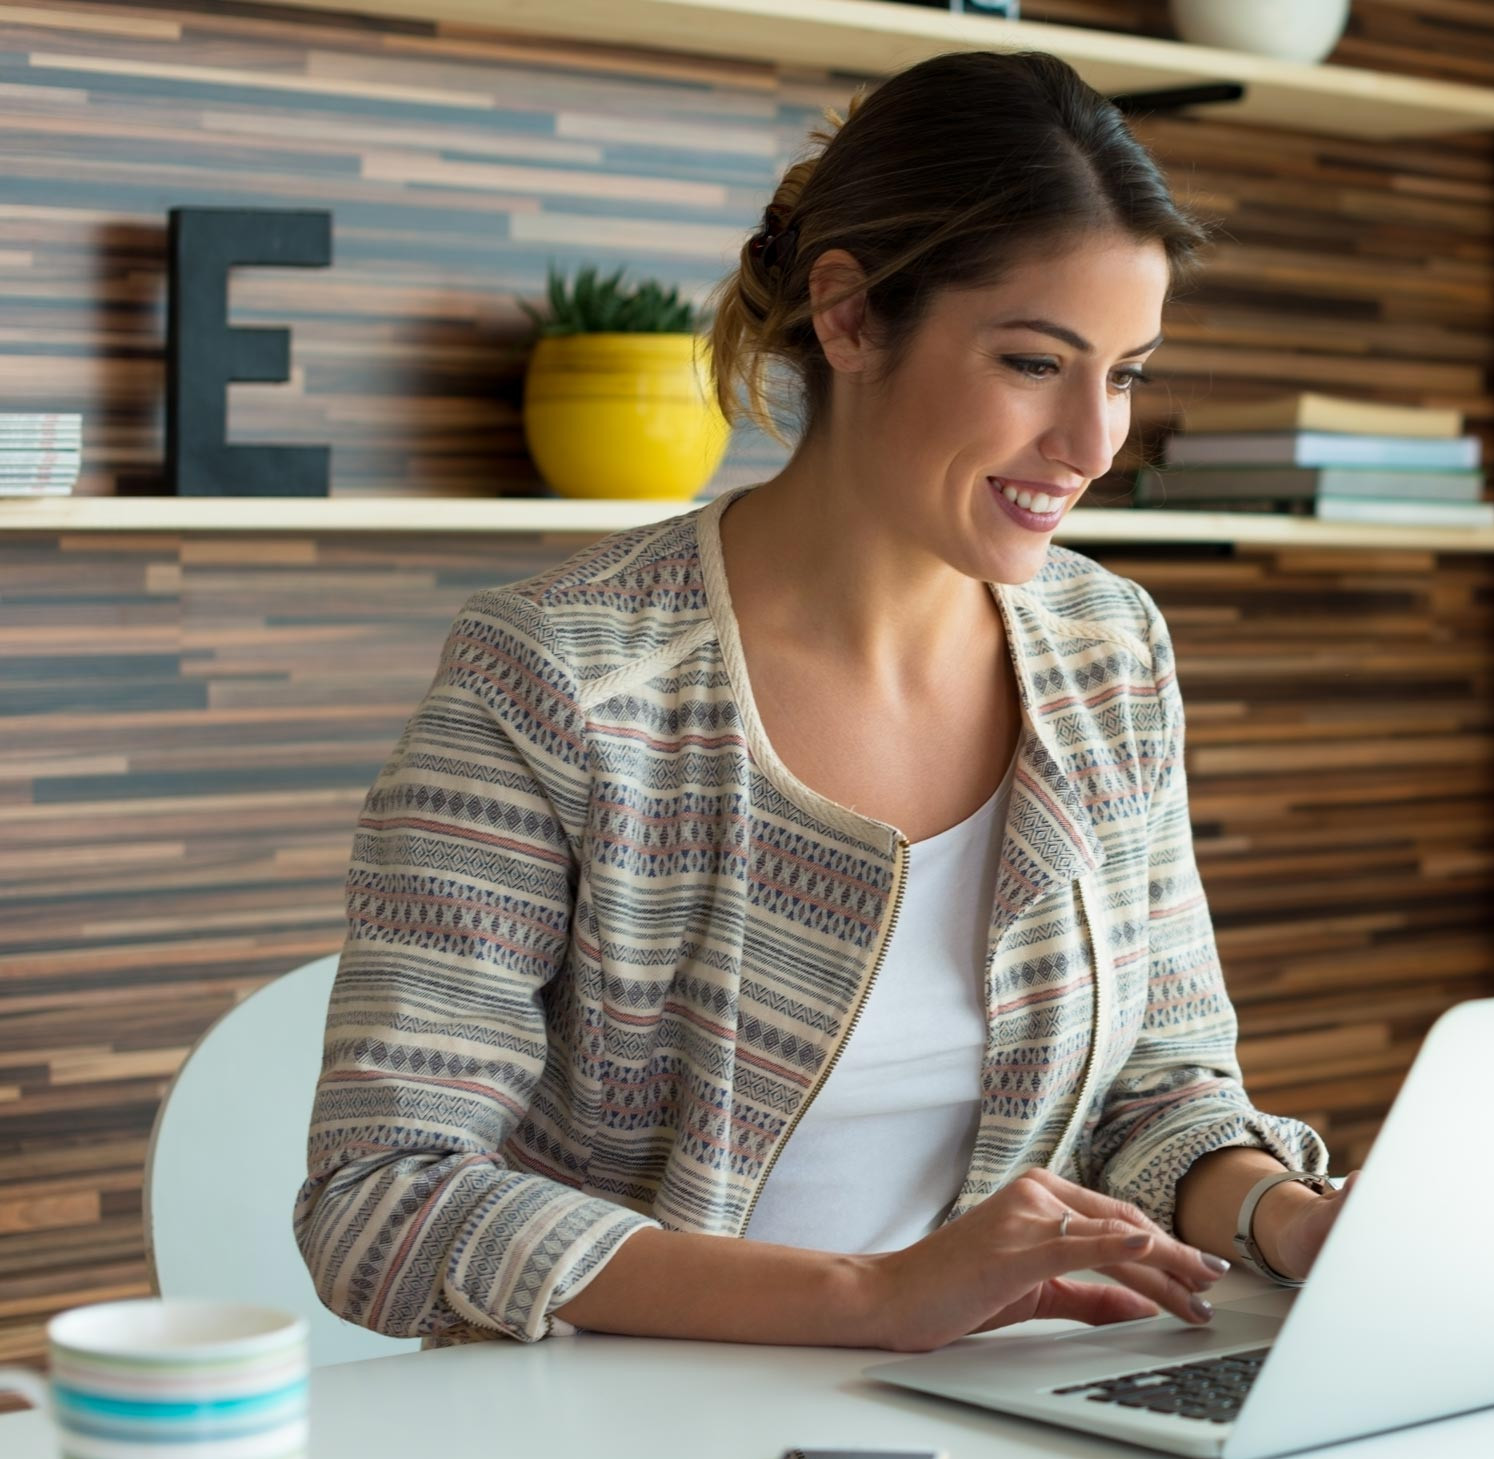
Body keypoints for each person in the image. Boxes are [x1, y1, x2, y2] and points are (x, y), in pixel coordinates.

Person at [293, 50, 1355, 1355]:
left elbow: (1161, 1097)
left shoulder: (1105, 650)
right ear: (847, 316)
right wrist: (875, 1300)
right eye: (1034, 361)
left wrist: (1287, 1217)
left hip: (995, 1420)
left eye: (1125, 372)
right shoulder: (556, 675)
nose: (1094, 442)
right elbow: (383, 1194)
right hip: (614, 1449)